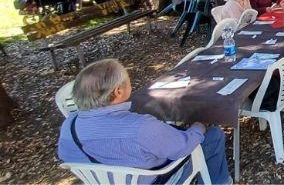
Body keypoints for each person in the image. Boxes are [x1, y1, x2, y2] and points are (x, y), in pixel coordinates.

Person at [57, 59, 232, 184]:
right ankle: (220, 181)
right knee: (213, 135)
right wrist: (199, 126)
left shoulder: (69, 125)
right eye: (127, 80)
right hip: (156, 178)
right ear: (118, 91)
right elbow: (183, 147)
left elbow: (68, 157)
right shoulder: (141, 127)